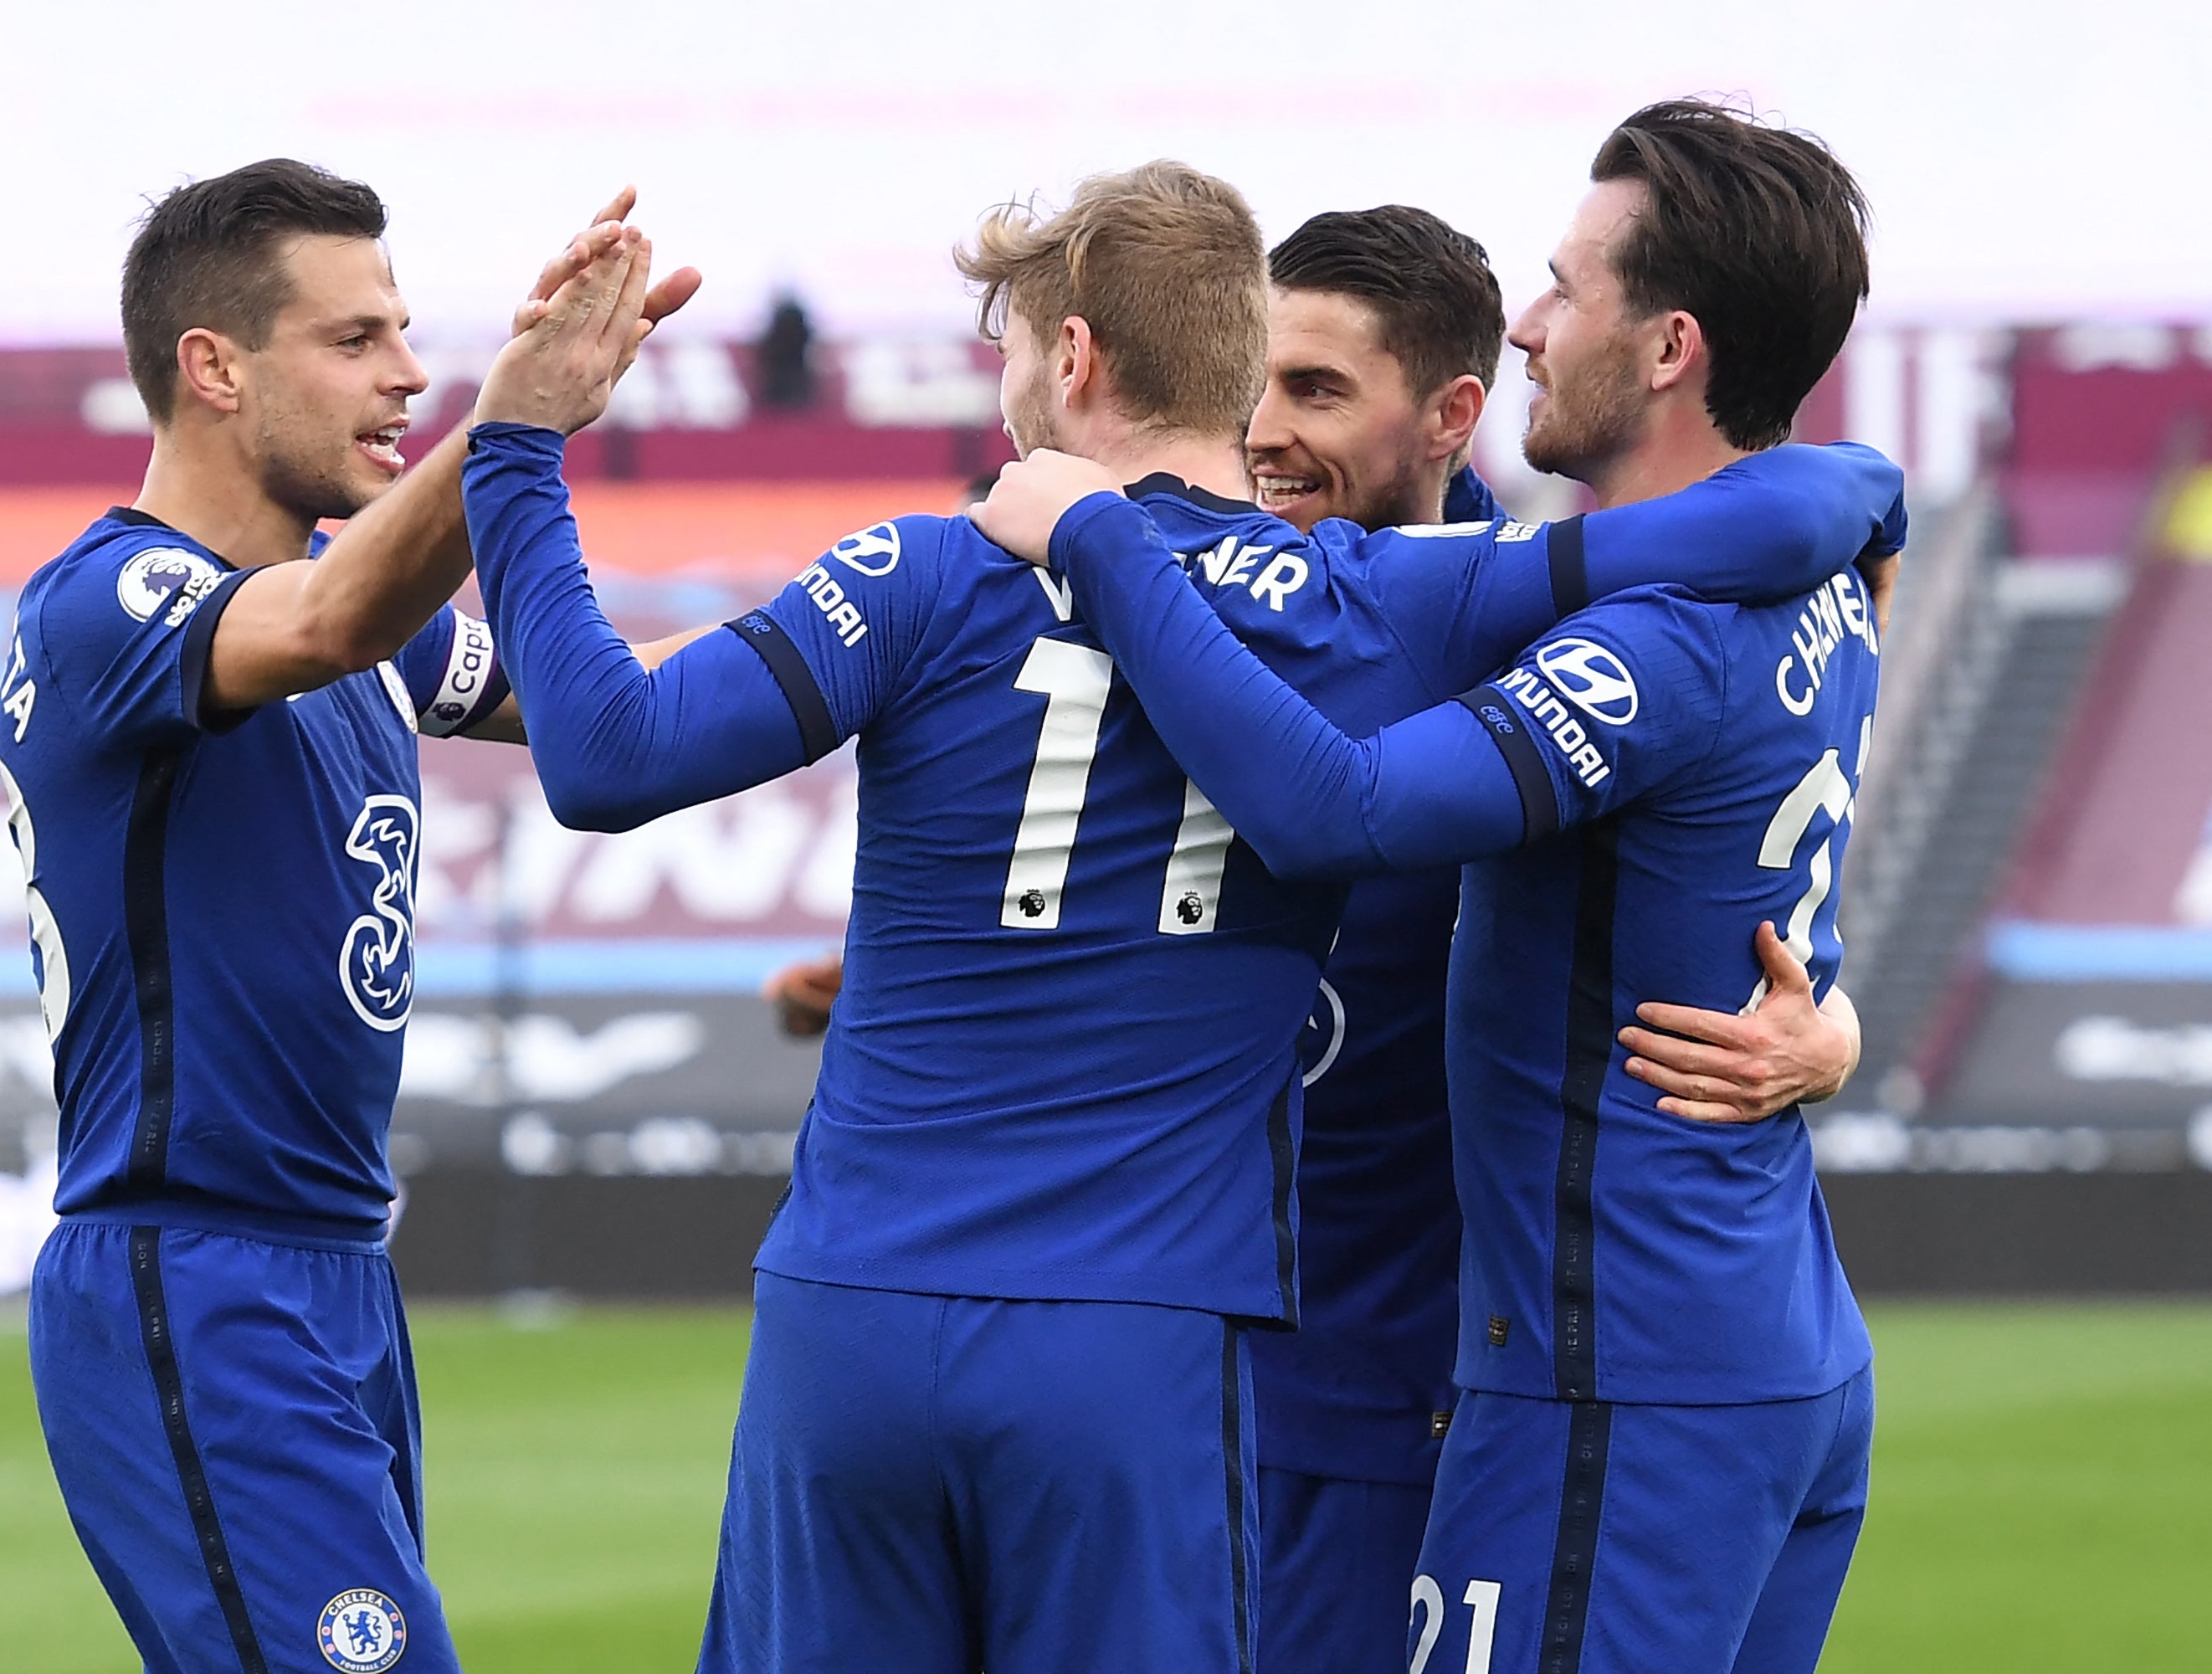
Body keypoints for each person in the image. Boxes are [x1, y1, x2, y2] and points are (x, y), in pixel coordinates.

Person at [461, 160, 1896, 1674]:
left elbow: (607, 745)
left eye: (1010, 356)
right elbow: (1744, 532)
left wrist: (515, 445)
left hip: (860, 1311)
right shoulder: (1387, 601)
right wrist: (1875, 487)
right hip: (1149, 1340)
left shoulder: (925, 568)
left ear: (1073, 359)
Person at [969, 101, 1890, 1674]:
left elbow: (1339, 810)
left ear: (1667, 347)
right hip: (1746, 1337)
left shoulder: (1639, 642)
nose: (1535, 326)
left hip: (1605, 1375)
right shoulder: (1801, 578)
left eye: (1563, 291)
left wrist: (1110, 544)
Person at [0, 158, 688, 1672]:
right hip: (193, 1273)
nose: (408, 373)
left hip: (335, 1278)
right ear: (214, 369)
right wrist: (509, 424)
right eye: (358, 338)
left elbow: (635, 694)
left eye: (410, 334)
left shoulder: (375, 631)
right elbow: (324, 621)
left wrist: (915, 616)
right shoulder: (107, 604)